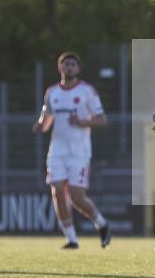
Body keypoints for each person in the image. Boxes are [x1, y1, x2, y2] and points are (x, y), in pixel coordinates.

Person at [32, 52, 110, 249]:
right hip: (57, 151)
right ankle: (71, 239)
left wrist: (82, 121)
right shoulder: (52, 92)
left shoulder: (87, 91)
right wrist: (41, 126)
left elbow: (101, 119)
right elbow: (47, 117)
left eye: (73, 64)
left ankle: (101, 223)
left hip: (79, 152)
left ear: (78, 69)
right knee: (57, 192)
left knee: (76, 196)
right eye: (66, 64)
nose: (69, 67)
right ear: (60, 68)